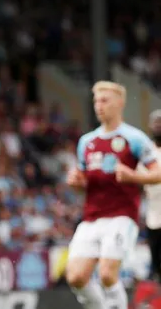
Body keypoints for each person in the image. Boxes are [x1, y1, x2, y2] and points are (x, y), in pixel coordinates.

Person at [65, 82, 161, 309]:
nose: (99, 106)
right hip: (91, 218)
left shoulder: (135, 138)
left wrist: (133, 177)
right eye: (96, 101)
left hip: (121, 215)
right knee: (76, 277)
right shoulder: (86, 142)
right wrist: (76, 183)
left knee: (108, 274)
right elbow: (83, 182)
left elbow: (158, 173)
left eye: (105, 100)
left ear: (120, 103)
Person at [146, 110, 161, 282]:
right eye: (156, 122)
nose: (158, 125)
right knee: (157, 265)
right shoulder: (146, 150)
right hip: (153, 216)